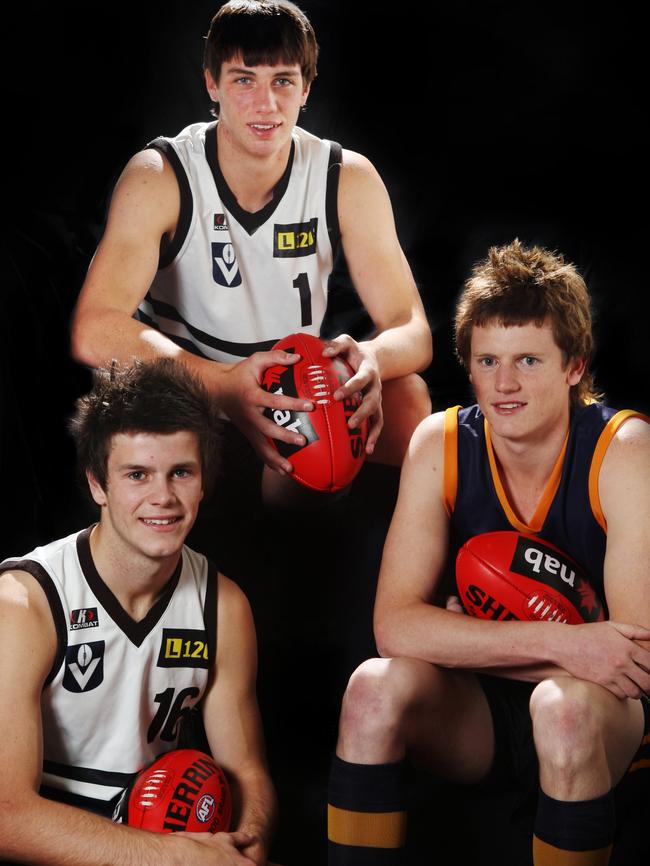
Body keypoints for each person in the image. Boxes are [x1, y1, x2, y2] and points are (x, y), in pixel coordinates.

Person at [327, 240, 650, 865]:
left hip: (600, 718)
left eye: (528, 359)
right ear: (467, 365)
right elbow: (393, 627)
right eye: (487, 361)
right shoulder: (440, 443)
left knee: (564, 711)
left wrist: (459, 634)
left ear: (574, 366)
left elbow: (632, 662)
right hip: (479, 714)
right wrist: (564, 642)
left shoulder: (625, 450)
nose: (504, 384)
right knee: (371, 689)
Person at [70, 0, 432, 494]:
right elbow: (94, 329)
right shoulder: (162, 175)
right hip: (189, 387)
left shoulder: (345, 176)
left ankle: (304, 517)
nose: (266, 104)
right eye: (244, 80)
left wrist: (372, 357)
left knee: (410, 401)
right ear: (212, 84)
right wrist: (221, 384)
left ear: (306, 88)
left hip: (292, 388)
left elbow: (412, 328)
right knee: (141, 438)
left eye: (282, 81)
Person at [0, 359, 276, 866]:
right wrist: (175, 856)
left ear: (204, 482)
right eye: (137, 474)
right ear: (97, 485)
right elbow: (7, 816)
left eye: (181, 473)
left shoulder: (224, 606)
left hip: (159, 837)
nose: (163, 497)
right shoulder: (25, 603)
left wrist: (244, 848)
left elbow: (248, 773)